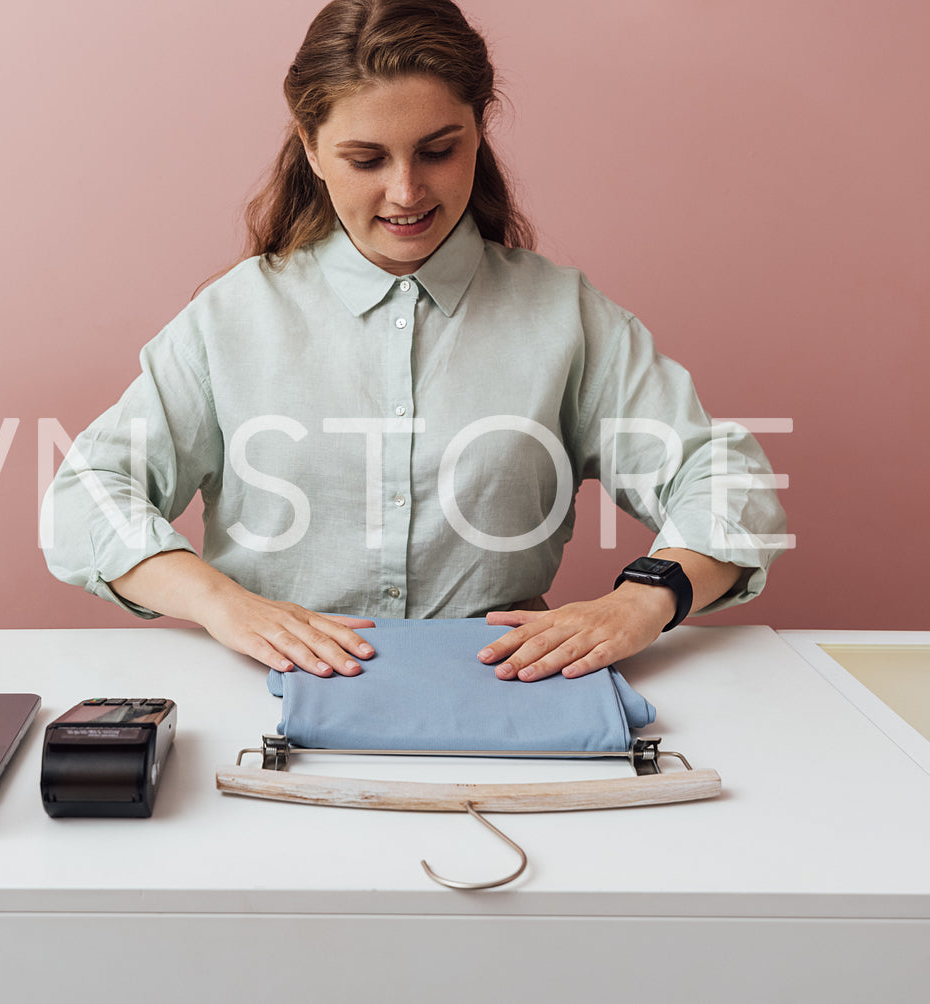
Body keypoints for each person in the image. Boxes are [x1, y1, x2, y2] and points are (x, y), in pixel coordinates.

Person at [42, 0, 786, 683]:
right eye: (366, 160)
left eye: (437, 150)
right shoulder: (231, 319)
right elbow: (86, 496)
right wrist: (223, 604)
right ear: (309, 144)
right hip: (264, 701)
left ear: (478, 129)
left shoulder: (564, 316)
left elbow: (726, 480)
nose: (405, 192)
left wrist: (642, 601)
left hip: (501, 694)